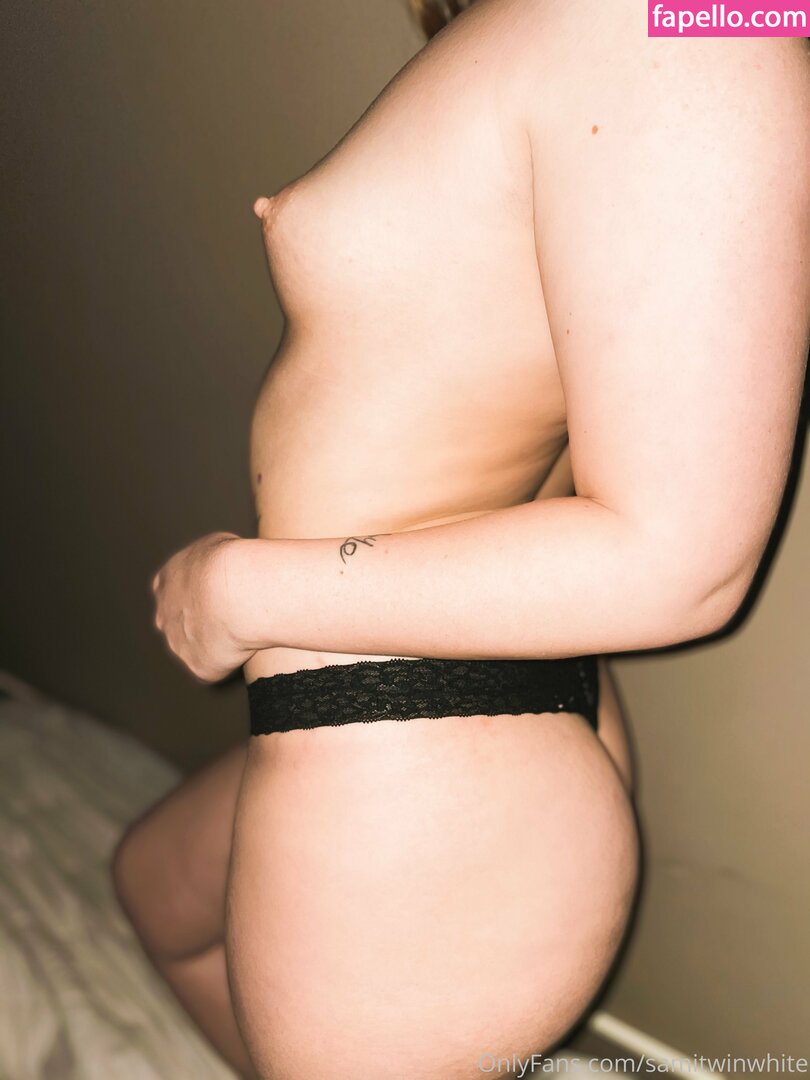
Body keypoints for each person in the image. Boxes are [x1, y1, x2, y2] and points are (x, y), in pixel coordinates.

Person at [112, 0, 810, 1077]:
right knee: (155, 887)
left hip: (410, 741)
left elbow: (682, 563)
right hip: (417, 699)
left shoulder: (674, 30)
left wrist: (244, 592)